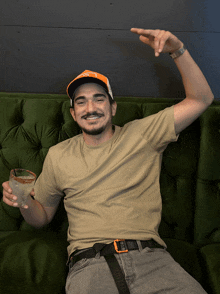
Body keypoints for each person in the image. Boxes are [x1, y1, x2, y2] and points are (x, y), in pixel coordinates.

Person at [2, 28, 214, 294]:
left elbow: (202, 99)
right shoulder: (59, 154)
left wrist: (177, 49)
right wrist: (22, 201)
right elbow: (41, 217)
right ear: (73, 113)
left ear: (113, 108)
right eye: (81, 102)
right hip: (90, 264)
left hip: (152, 259)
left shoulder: (144, 134)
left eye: (99, 99)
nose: (90, 108)